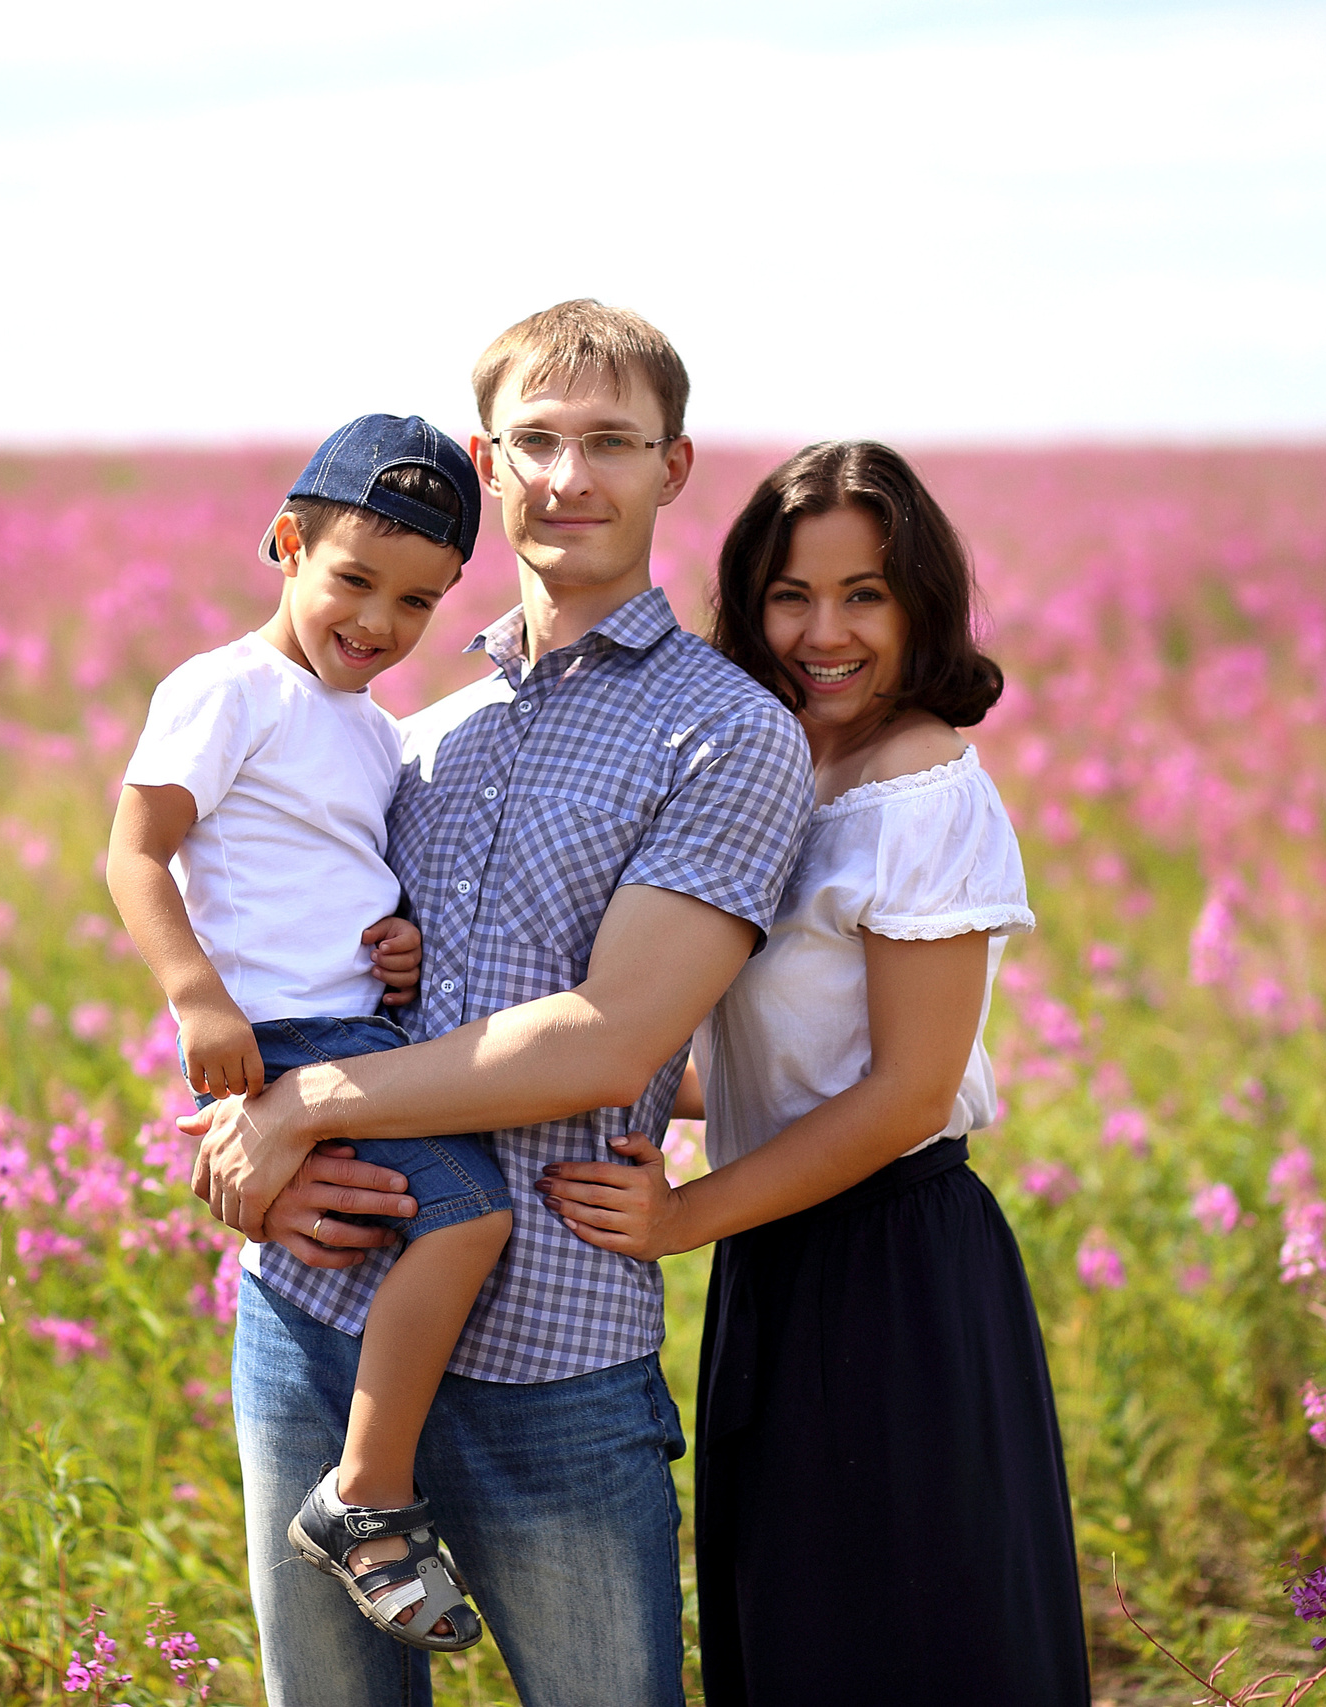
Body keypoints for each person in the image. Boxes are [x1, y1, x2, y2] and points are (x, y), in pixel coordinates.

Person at [186, 301, 812, 1706]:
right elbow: (278, 963)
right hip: (314, 1312)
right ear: (487, 458)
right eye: (534, 440)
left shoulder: (725, 734)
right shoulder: (409, 731)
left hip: (557, 1356)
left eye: (611, 442)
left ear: (676, 465)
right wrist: (246, 1153)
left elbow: (614, 1036)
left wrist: (313, 1103)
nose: (568, 476)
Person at [536, 440, 1093, 1704]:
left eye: (865, 595)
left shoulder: (920, 780)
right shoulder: (784, 763)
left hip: (892, 1265)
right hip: (781, 1249)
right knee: (796, 1634)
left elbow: (902, 1093)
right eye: (792, 594)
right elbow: (768, 1062)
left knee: (906, 1641)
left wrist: (681, 1217)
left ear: (921, 606)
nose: (822, 632)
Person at [104, 414, 510, 1652]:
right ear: (286, 542)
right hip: (280, 1037)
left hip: (349, 1024)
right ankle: (366, 1499)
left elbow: (336, 873)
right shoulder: (226, 689)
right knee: (469, 1211)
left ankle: (371, 1481)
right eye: (352, 580)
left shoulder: (374, 727)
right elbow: (133, 851)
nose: (379, 623)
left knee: (416, 1218)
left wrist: (395, 941)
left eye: (417, 602)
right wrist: (196, 995)